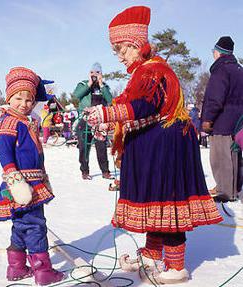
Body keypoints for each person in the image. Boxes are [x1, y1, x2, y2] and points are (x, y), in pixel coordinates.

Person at [84, 6, 223, 284]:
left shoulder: (154, 71)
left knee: (167, 203)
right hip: (157, 146)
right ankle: (151, 254)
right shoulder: (142, 72)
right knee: (156, 205)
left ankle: (176, 266)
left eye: (123, 49)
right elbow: (131, 106)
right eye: (117, 51)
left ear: (138, 45)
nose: (120, 56)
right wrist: (107, 123)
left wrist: (110, 114)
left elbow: (146, 105)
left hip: (165, 149)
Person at [0, 67, 64, 286]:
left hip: (32, 179)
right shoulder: (9, 122)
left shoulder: (24, 120)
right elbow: (3, 152)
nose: (24, 104)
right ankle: (43, 271)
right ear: (9, 98)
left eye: (29, 100)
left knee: (22, 224)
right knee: (35, 225)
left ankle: (17, 267)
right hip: (21, 183)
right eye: (18, 98)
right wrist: (15, 179)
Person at [201, 36, 243, 202]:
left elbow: (215, 97)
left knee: (220, 157)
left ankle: (225, 191)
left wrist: (208, 119)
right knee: (234, 155)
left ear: (218, 52)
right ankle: (234, 188)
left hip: (222, 121)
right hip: (238, 121)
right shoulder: (239, 69)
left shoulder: (221, 70)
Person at [73, 62, 113, 180]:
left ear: (101, 74)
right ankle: (84, 171)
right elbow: (77, 95)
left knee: (101, 145)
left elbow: (110, 100)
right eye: (92, 72)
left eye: (97, 72)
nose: (94, 75)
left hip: (100, 119)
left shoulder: (104, 86)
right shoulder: (83, 84)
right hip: (85, 118)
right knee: (83, 146)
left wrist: (101, 85)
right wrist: (89, 84)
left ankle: (105, 171)